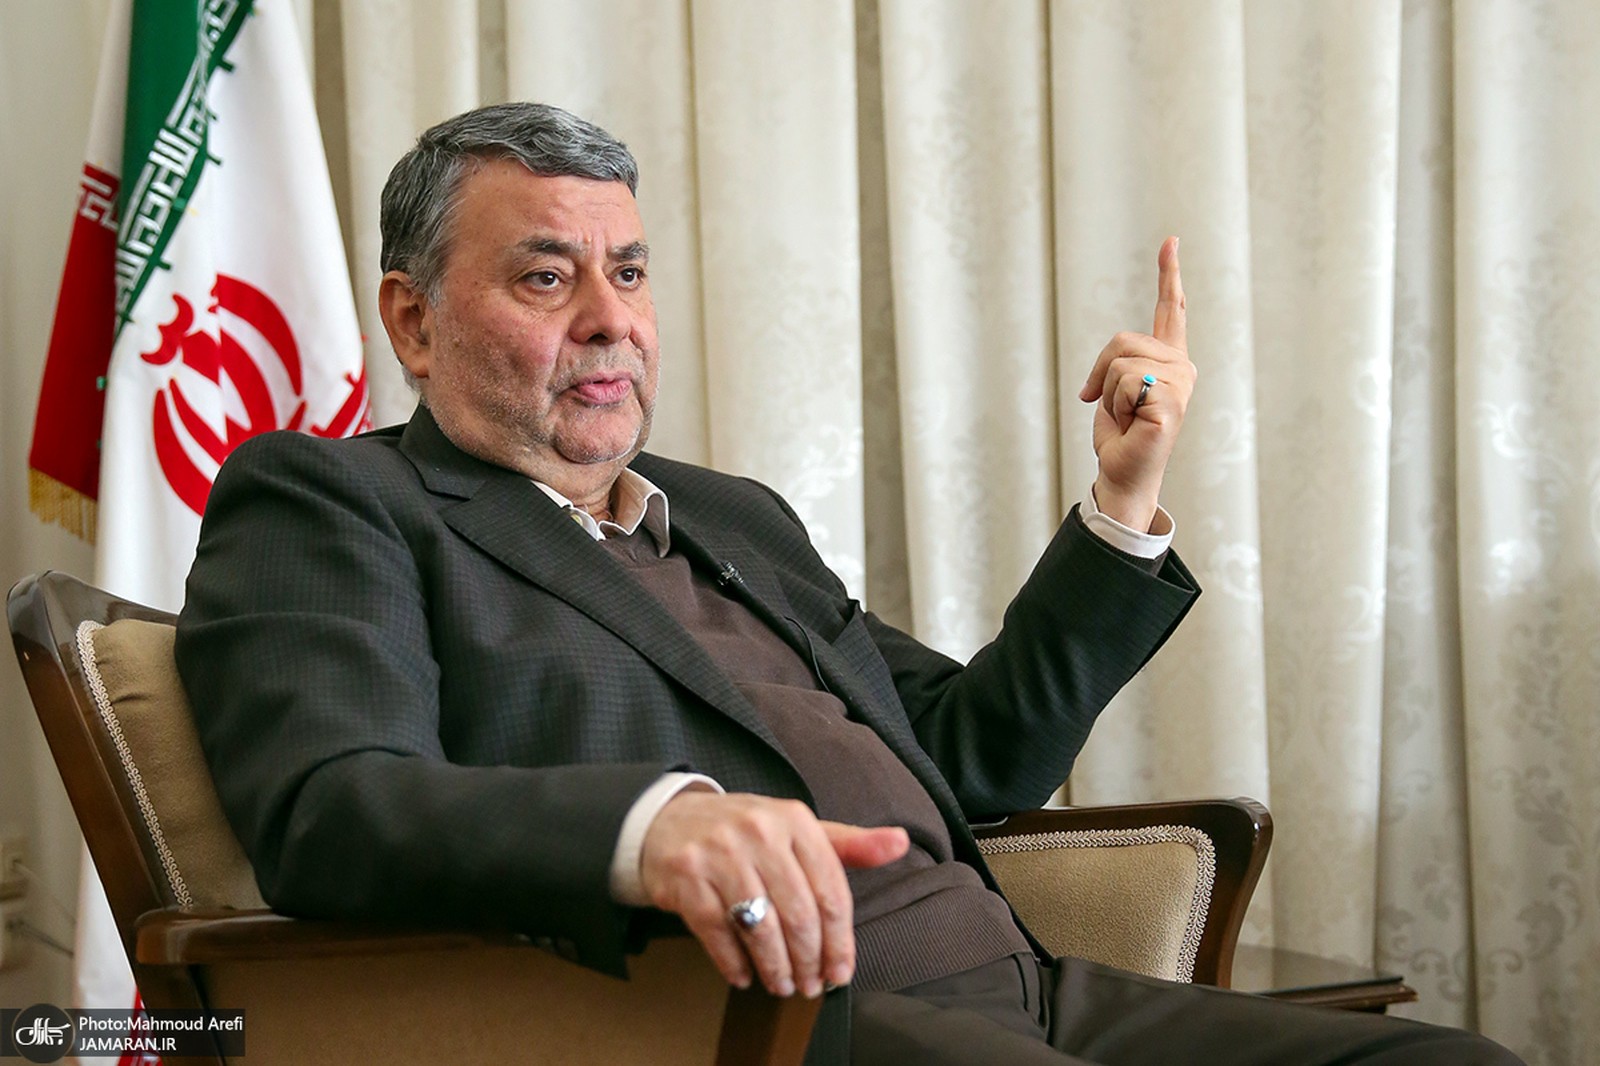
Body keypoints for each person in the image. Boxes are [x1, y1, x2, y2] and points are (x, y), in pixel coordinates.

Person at [175, 102, 1519, 1064]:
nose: (611, 319)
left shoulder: (728, 513)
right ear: (413, 320)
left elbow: (975, 750)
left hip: (1032, 990)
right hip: (764, 1022)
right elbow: (330, 806)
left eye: (628, 272)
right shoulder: (337, 499)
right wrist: (655, 827)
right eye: (547, 276)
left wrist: (1122, 497)